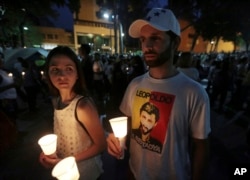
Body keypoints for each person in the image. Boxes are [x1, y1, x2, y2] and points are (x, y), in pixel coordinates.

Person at [106, 8, 210, 180]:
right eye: (143, 39)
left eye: (155, 38)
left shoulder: (194, 92)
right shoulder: (135, 85)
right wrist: (113, 137)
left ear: (175, 43)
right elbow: (125, 121)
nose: (146, 46)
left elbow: (202, 145)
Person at [39, 46, 106, 180]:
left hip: (88, 173)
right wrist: (48, 153)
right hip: (64, 173)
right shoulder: (56, 101)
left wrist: (67, 160)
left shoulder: (82, 106)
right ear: (47, 74)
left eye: (69, 69)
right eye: (55, 70)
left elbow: (101, 145)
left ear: (77, 74)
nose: (62, 76)